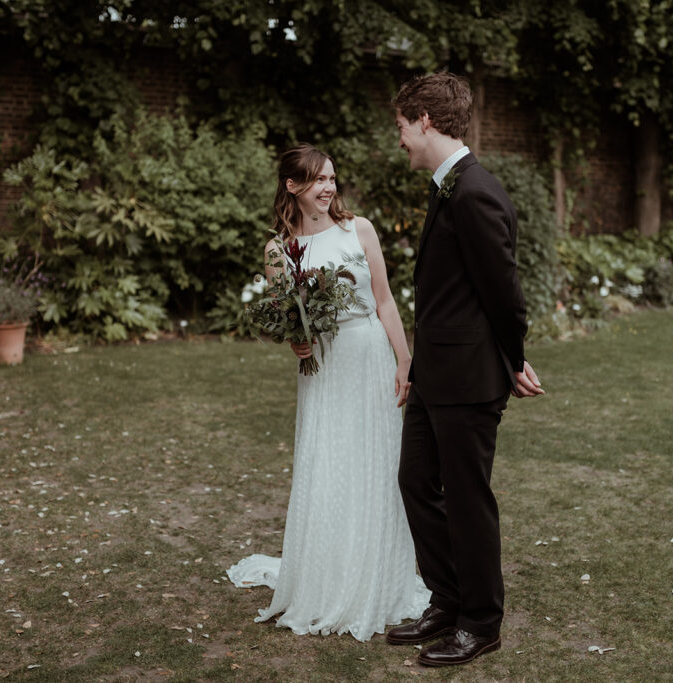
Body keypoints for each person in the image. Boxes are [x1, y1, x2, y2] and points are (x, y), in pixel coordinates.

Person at [226, 143, 430, 642]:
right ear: (293, 186)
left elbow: (384, 300)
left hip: (369, 356)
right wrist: (295, 340)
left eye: (332, 178)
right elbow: (289, 318)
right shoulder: (278, 250)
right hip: (324, 367)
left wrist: (405, 359)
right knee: (329, 463)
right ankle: (328, 575)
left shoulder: (359, 229)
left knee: (376, 463)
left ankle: (377, 575)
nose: (329, 187)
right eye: (318, 179)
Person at [384, 73, 545, 667]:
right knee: (415, 481)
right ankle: (447, 599)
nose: (400, 138)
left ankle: (480, 622)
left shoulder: (475, 191)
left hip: (469, 380)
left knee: (467, 499)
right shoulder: (447, 186)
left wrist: (512, 359)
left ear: (425, 121)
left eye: (402, 126)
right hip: (435, 373)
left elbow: (505, 294)